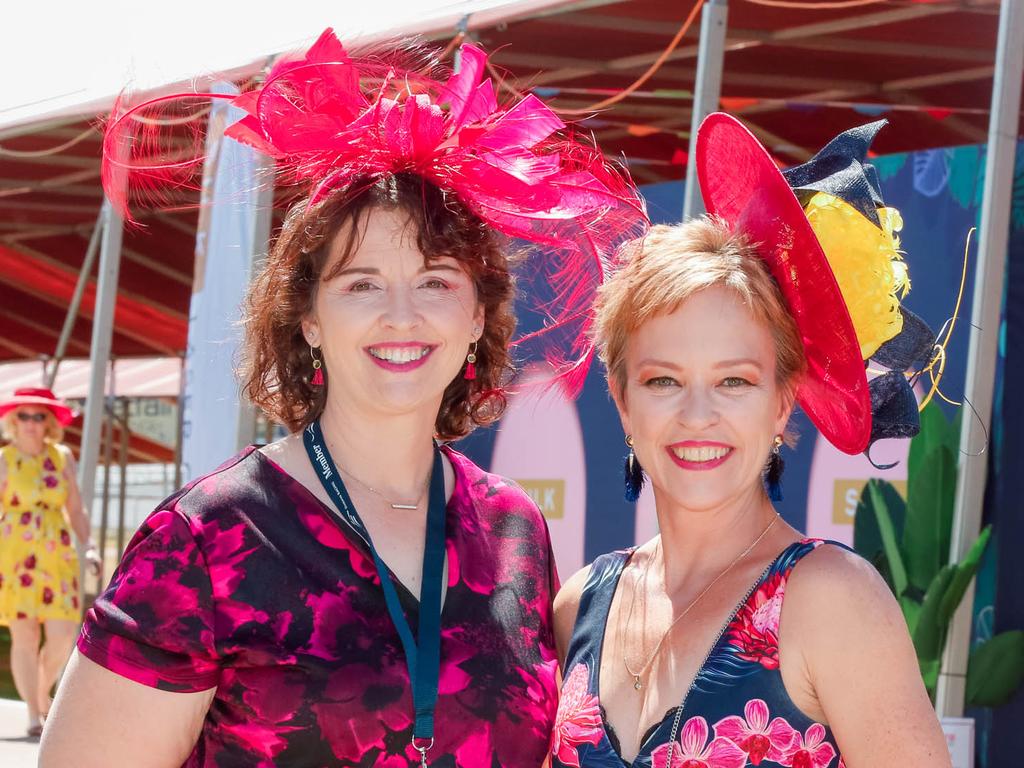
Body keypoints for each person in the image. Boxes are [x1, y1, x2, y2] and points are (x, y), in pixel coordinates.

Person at [40, 29, 646, 768]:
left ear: (478, 316)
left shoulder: (513, 529)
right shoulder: (208, 538)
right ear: (309, 318)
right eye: (361, 284)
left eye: (436, 281)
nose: (402, 315)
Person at [550, 114, 950, 768]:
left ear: (782, 402)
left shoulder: (831, 600)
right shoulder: (580, 606)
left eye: (734, 381)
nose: (698, 414)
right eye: (663, 381)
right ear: (622, 403)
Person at [0, 387, 101, 738]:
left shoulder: (61, 457)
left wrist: (89, 545)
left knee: (61, 634)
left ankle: (42, 695)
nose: (31, 423)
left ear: (49, 422)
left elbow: (75, 507)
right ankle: (32, 712)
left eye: (38, 416)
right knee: (24, 636)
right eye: (24, 416)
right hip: (14, 552)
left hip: (57, 551)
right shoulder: (4, 459)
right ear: (14, 420)